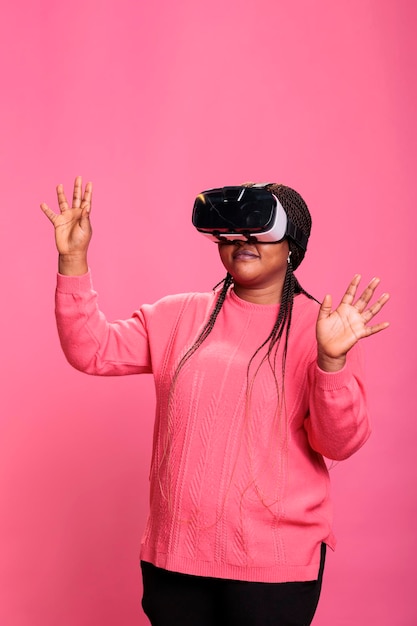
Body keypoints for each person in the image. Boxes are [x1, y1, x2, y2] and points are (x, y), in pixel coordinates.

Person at [41, 176, 389, 626]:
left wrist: (330, 361)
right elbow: (91, 349)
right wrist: (73, 259)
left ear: (292, 245)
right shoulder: (176, 315)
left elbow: (337, 444)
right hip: (175, 561)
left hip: (274, 571)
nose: (240, 241)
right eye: (229, 231)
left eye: (257, 229)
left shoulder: (324, 328)